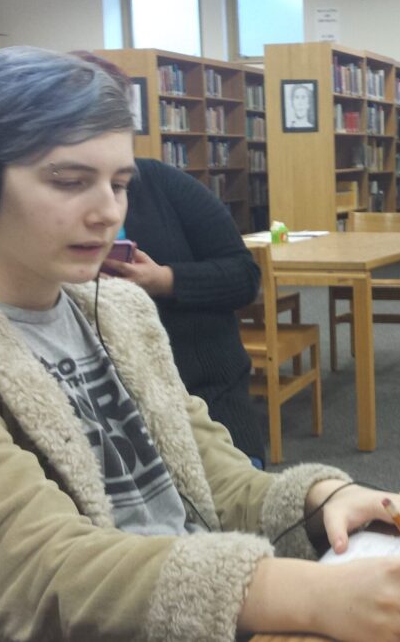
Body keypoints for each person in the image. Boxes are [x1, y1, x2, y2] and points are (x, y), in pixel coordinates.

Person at [0, 47, 400, 641]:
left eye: (120, 184)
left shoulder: (118, 309)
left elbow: (212, 483)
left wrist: (326, 496)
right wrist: (306, 594)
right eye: (69, 181)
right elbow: (31, 575)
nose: (107, 212)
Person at [72, 51, 270, 467]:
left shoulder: (163, 183)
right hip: (99, 429)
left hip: (205, 400)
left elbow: (243, 275)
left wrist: (164, 280)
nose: (107, 210)